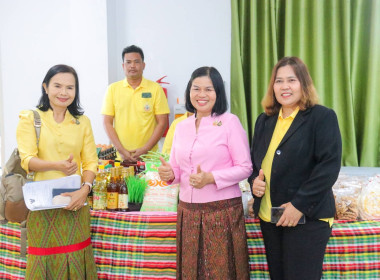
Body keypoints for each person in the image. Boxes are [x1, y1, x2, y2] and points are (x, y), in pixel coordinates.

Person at [249, 57, 342, 280]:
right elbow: (256, 163)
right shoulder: (265, 120)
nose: (285, 86)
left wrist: (299, 205)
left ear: (304, 84)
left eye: (292, 80)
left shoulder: (322, 117)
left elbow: (328, 167)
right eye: (279, 81)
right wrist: (255, 182)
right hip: (270, 217)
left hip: (307, 217)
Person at [158, 66, 252, 279]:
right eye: (196, 88)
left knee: (221, 271)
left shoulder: (230, 122)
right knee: (192, 271)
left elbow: (245, 167)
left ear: (218, 92)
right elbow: (176, 169)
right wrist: (169, 174)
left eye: (208, 89)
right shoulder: (181, 126)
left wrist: (211, 178)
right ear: (188, 92)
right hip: (188, 212)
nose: (201, 95)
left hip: (221, 212)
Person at [16, 64, 98, 279]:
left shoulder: (83, 122)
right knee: (44, 261)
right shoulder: (31, 118)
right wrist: (57, 165)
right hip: (41, 205)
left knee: (76, 259)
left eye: (70, 87)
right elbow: (27, 160)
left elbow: (91, 162)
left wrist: (85, 190)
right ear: (45, 87)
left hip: (75, 204)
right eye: (57, 86)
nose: (64, 92)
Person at [101, 45, 170, 162]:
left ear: (143, 65)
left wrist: (145, 149)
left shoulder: (155, 89)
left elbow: (162, 123)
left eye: (136, 62)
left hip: (149, 158)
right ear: (123, 66)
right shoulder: (112, 89)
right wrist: (121, 150)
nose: (132, 65)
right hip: (121, 157)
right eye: (128, 62)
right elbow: (107, 122)